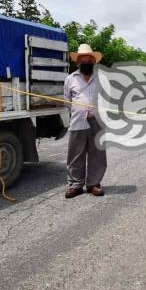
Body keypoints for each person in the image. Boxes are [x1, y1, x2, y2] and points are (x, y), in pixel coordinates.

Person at [63, 44, 107, 198]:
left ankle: (94, 184)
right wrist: (79, 112)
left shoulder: (101, 78)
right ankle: (75, 185)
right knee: (75, 154)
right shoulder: (70, 79)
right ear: (77, 63)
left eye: (89, 60)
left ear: (94, 62)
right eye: (83, 60)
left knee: (97, 154)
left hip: (97, 121)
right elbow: (67, 101)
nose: (86, 62)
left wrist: (93, 112)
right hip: (77, 122)